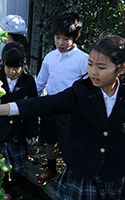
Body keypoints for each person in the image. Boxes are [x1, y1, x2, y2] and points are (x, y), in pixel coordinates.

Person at [0, 35, 125, 200]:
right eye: (90, 64)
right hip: (82, 170)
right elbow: (46, 103)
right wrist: (2, 109)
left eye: (101, 67)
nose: (93, 71)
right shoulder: (81, 91)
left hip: (113, 174)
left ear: (122, 69)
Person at [35, 12, 89, 184]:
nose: (60, 42)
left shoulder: (84, 60)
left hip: (70, 110)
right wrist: (33, 104)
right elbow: (40, 82)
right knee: (49, 141)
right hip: (50, 104)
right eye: (57, 37)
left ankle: (71, 175)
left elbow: (89, 88)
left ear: (76, 36)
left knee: (68, 144)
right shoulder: (50, 57)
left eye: (66, 38)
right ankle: (51, 170)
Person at [0, 42, 38, 197]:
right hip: (0, 130)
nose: (12, 71)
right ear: (2, 63)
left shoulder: (29, 81)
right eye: (8, 67)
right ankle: (4, 191)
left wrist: (32, 132)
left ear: (23, 65)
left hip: (19, 131)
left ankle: (17, 188)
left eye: (16, 67)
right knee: (2, 163)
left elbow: (33, 109)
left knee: (18, 165)